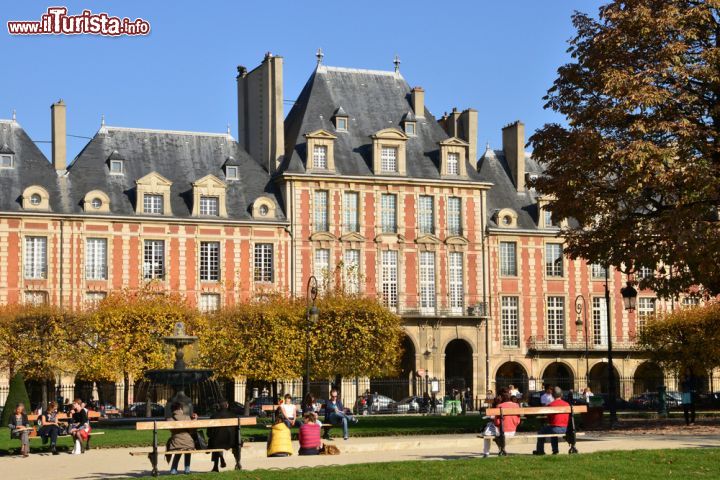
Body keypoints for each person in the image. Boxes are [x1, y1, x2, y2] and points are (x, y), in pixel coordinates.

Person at [481, 389, 520, 458]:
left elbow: (497, 422)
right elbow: (518, 421)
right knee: (495, 435)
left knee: (486, 434)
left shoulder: (499, 406)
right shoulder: (516, 405)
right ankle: (502, 450)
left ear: (501, 397)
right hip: (512, 431)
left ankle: (486, 453)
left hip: (502, 432)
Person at [533, 387, 569, 455]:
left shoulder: (551, 405)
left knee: (542, 432)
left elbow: (549, 419)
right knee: (552, 430)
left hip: (555, 428)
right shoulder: (567, 404)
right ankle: (555, 450)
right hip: (567, 428)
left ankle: (541, 451)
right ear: (561, 395)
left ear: (552, 395)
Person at [166, 402, 196, 474]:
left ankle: (173, 469)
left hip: (176, 443)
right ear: (180, 408)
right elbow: (192, 430)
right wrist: (195, 419)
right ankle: (187, 469)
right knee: (187, 448)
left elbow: (171, 430)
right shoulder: (186, 417)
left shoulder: (169, 419)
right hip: (189, 443)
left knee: (179, 448)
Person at [208, 401, 237, 472]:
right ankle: (238, 463)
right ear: (227, 405)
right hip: (231, 441)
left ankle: (215, 466)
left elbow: (209, 433)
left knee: (214, 441)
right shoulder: (233, 416)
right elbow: (237, 430)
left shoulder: (214, 416)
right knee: (237, 442)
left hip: (217, 442)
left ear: (219, 406)